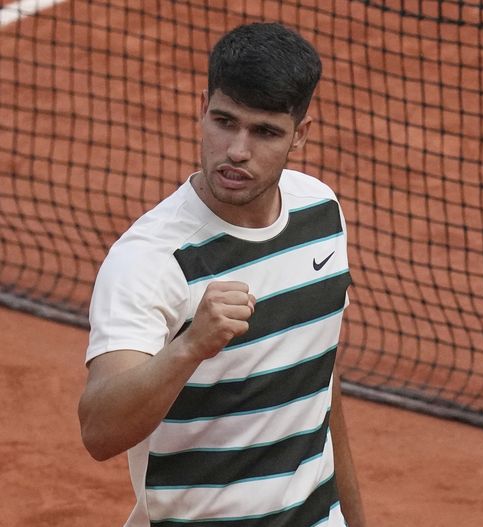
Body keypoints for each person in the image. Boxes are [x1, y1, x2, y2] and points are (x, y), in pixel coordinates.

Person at [78, 22, 366, 527]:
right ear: (202, 108)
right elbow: (99, 430)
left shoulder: (321, 213)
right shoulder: (149, 260)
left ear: (300, 135)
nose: (237, 150)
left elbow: (321, 376)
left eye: (265, 132)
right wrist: (190, 347)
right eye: (224, 121)